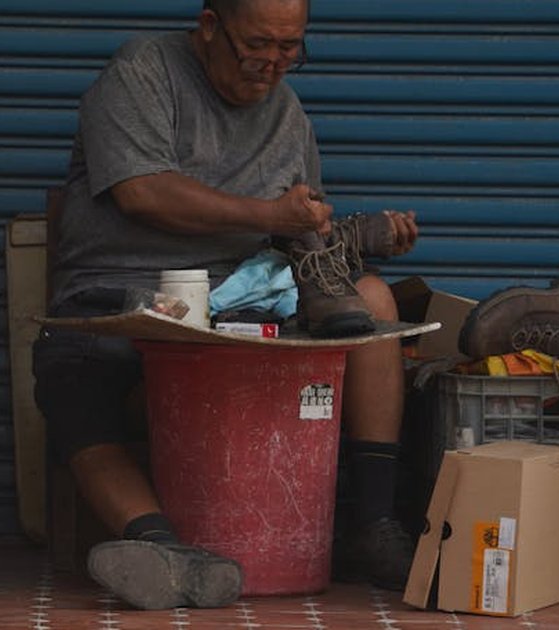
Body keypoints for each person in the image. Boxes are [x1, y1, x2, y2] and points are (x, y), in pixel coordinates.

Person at [33, 0, 419, 610]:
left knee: (372, 297)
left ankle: (372, 526)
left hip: (245, 301)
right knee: (74, 378)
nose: (272, 65)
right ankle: (165, 551)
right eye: (257, 45)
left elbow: (301, 236)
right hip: (119, 294)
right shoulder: (144, 71)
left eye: (290, 49)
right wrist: (270, 213)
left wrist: (363, 235)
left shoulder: (289, 113)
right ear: (211, 27)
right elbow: (142, 192)